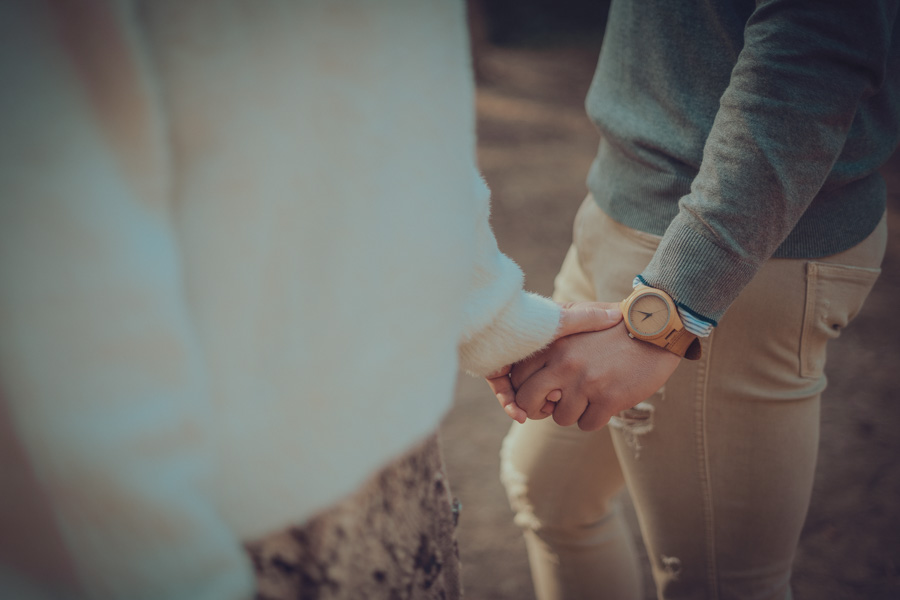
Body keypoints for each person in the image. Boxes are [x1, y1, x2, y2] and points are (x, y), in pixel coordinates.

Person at [0, 2, 622, 599]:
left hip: (386, 466)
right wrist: (147, 562)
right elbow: (55, 239)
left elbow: (400, 101)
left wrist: (490, 316)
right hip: (205, 499)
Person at [490, 1, 899, 599]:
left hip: (728, 253)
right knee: (549, 493)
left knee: (718, 586)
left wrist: (673, 307)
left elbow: (813, 57)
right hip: (622, 205)